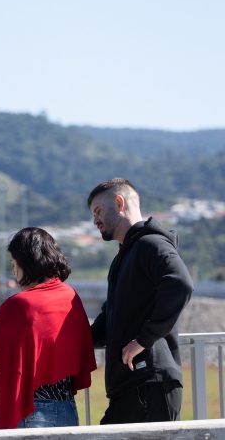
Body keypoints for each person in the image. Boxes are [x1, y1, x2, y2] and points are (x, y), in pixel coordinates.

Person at [0, 227, 96, 429]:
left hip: (27, 412)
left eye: (14, 264)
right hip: (64, 407)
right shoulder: (69, 296)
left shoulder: (20, 305)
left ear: (25, 263)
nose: (13, 271)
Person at [87, 178, 193, 424]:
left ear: (119, 202)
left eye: (98, 211)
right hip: (133, 386)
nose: (95, 220)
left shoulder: (150, 244)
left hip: (149, 384)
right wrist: (77, 341)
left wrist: (143, 339)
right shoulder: (124, 256)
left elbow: (180, 284)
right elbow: (111, 316)